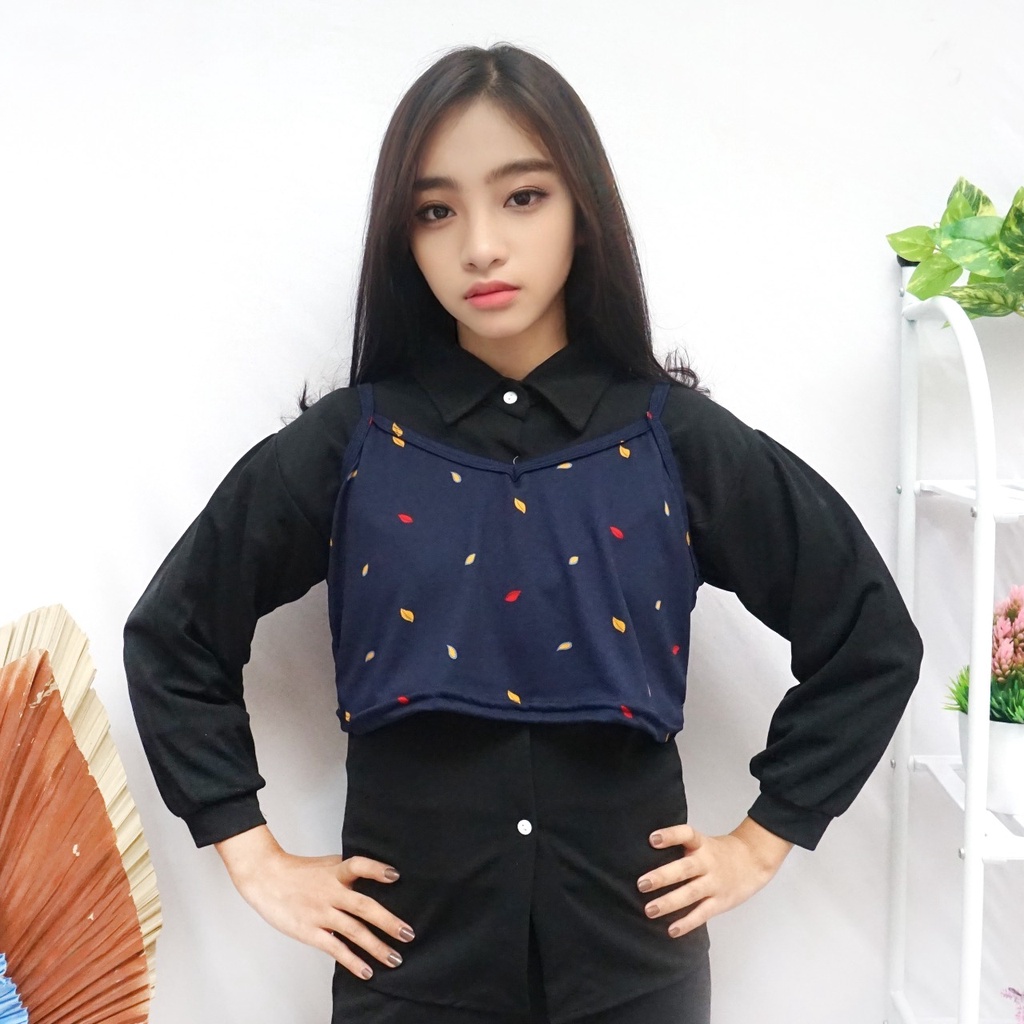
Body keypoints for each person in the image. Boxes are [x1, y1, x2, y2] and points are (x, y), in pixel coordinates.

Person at [123, 42, 923, 1024]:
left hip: (633, 977)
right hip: (409, 974)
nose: (481, 247)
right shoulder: (355, 443)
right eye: (436, 210)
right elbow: (173, 636)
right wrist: (251, 853)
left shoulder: (671, 440)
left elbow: (869, 637)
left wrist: (762, 840)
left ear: (583, 210)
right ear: (403, 238)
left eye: (523, 197)